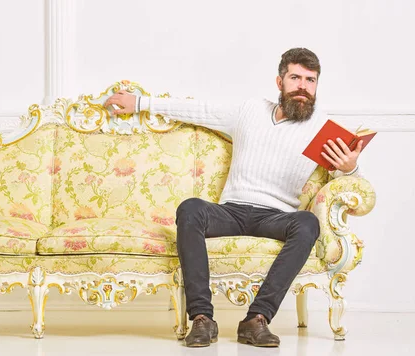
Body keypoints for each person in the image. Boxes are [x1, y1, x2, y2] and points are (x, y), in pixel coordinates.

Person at [104, 48, 364, 348]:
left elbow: (344, 179)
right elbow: (199, 110)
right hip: (232, 211)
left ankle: (256, 320)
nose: (303, 86)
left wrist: (350, 168)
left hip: (276, 217)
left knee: (306, 223)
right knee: (190, 209)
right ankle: (202, 319)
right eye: (295, 78)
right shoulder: (250, 110)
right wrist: (139, 103)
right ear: (280, 82)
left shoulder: (322, 127)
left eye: (310, 80)